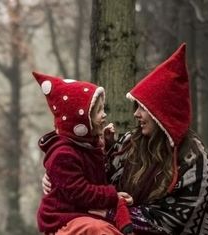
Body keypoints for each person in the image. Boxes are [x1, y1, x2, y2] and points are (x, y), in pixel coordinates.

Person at [43, 43, 208, 235]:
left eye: (142, 108)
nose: (136, 114)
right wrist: (57, 175)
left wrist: (110, 212)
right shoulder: (131, 142)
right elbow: (93, 179)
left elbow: (172, 219)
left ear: (161, 112)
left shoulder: (193, 155)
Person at [32, 72, 134, 235]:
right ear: (80, 121)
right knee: (101, 231)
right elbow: (80, 192)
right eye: (98, 111)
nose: (104, 115)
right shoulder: (63, 154)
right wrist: (112, 195)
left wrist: (107, 146)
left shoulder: (86, 145)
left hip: (82, 213)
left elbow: (97, 172)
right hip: (62, 218)